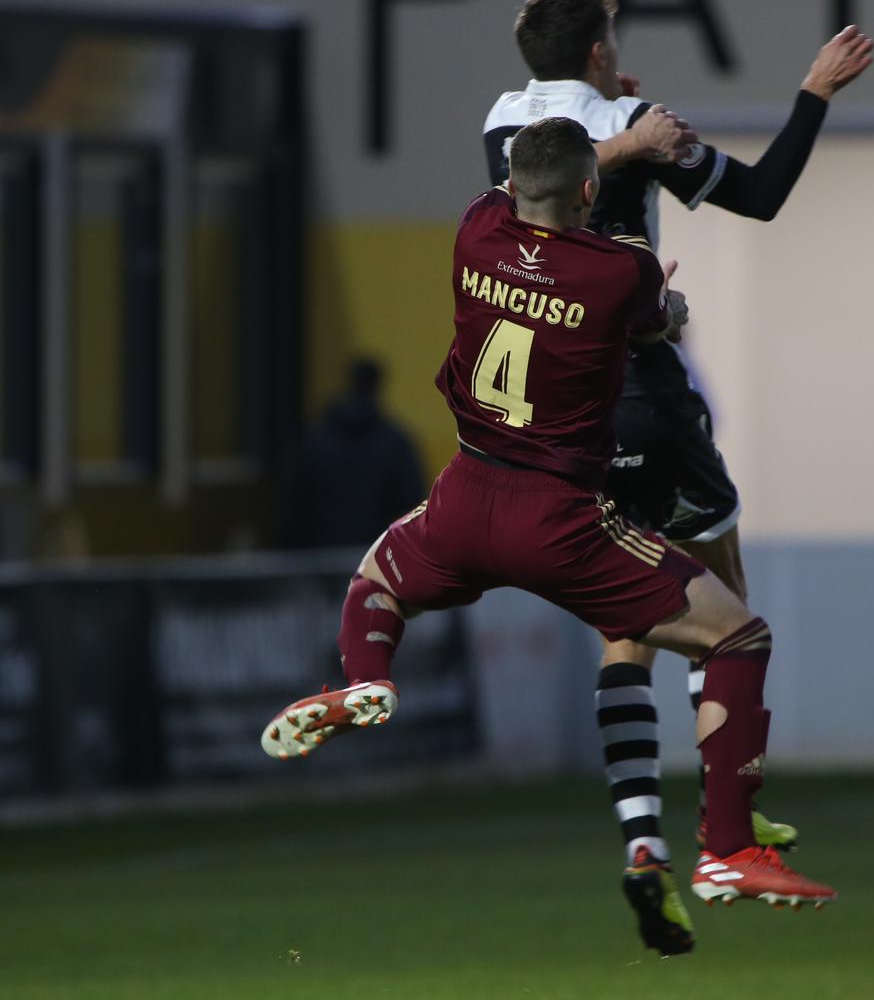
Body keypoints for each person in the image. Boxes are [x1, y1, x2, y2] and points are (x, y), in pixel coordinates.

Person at [260, 118, 838, 949]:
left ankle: (368, 677)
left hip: (464, 496)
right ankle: (728, 848)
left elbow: (532, 187)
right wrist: (666, 311)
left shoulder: (474, 228)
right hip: (561, 516)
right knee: (735, 635)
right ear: (590, 193)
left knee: (375, 580)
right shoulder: (620, 269)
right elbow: (653, 320)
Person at [481, 0, 873, 950]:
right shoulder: (631, 122)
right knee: (728, 611)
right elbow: (764, 195)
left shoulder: (504, 121)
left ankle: (643, 840)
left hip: (554, 413)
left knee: (630, 615)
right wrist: (813, 92)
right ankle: (730, 826)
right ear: (603, 52)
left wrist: (618, 130)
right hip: (642, 388)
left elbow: (524, 189)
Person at [281, 357, 427, 549]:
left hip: (318, 557)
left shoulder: (316, 439)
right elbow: (413, 505)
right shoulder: (394, 443)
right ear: (378, 386)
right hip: (373, 557)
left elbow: (294, 502)